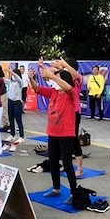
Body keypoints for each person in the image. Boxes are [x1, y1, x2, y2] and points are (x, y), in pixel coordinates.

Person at [28, 63, 77, 204]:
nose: (54, 80)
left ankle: (74, 192)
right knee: (53, 161)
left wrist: (52, 76)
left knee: (67, 164)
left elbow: (68, 87)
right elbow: (36, 89)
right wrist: (31, 78)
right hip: (53, 132)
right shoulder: (54, 92)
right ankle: (56, 188)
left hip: (66, 133)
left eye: (57, 78)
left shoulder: (70, 93)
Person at [52, 57, 85, 177]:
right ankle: (66, 165)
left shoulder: (77, 79)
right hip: (62, 112)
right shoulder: (64, 77)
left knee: (74, 140)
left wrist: (64, 63)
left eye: (65, 66)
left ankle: (80, 168)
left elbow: (75, 74)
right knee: (62, 140)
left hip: (74, 112)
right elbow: (52, 73)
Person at [3, 68, 25, 150]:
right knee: (11, 119)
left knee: (18, 120)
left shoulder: (20, 83)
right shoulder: (10, 82)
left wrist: (11, 72)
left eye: (13, 74)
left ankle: (21, 136)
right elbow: (3, 79)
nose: (12, 76)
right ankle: (12, 134)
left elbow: (18, 78)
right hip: (10, 102)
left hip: (17, 102)